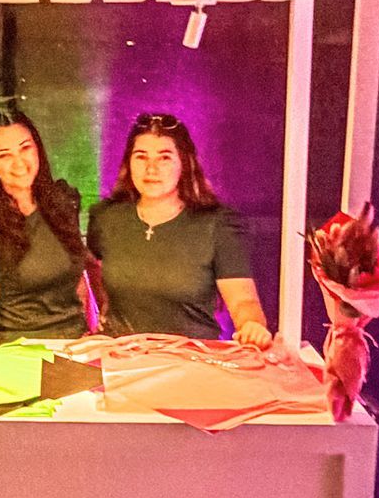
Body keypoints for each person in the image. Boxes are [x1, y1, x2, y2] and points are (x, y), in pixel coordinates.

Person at [88, 112, 273, 345]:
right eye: (141, 157)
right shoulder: (106, 217)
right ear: (128, 162)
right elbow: (91, 274)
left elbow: (243, 303)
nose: (151, 169)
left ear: (184, 163)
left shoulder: (217, 225)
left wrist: (252, 327)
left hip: (190, 362)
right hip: (118, 360)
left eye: (164, 158)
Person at [0, 110, 89, 341]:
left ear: (38, 149)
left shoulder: (62, 201)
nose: (19, 162)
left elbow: (79, 284)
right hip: (19, 348)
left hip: (76, 344)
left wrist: (95, 332)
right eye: (4, 155)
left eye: (25, 148)